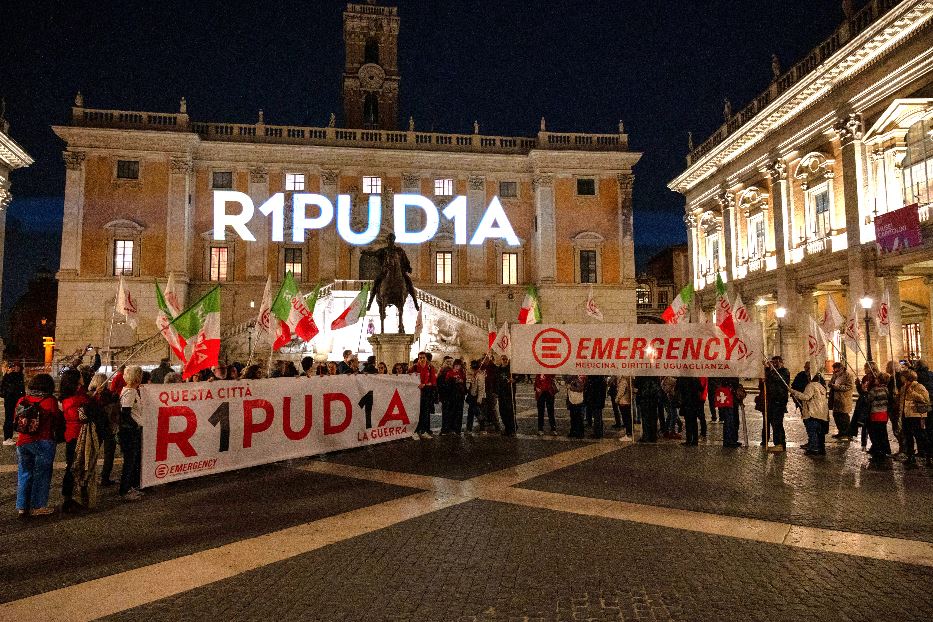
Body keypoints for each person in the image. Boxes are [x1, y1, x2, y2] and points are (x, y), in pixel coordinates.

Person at [14, 373, 62, 517]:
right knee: (42, 474)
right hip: (43, 440)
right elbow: (57, 420)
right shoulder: (50, 401)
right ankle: (38, 506)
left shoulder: (22, 400)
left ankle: (22, 506)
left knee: (24, 473)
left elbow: (15, 420)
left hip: (23, 441)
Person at [59, 369, 91, 512]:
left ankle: (77, 496)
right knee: (73, 466)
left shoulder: (76, 395)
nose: (82, 378)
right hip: (76, 435)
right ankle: (68, 499)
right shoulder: (73, 400)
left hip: (77, 434)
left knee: (80, 465)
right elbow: (80, 417)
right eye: (80, 377)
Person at [118, 365, 145, 501]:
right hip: (129, 432)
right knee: (129, 461)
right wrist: (135, 425)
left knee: (132, 460)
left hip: (129, 430)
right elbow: (125, 412)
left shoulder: (129, 391)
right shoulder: (130, 393)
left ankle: (130, 487)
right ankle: (125, 490)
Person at [898, 368, 930, 468]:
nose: (901, 378)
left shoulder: (918, 386)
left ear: (907, 377)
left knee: (920, 437)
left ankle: (928, 457)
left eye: (903, 376)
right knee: (908, 437)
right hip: (906, 415)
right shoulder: (903, 387)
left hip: (916, 416)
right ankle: (911, 456)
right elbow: (902, 402)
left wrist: (913, 393)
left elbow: (925, 399)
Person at [790, 372, 828, 455]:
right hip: (821, 413)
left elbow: (806, 397)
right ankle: (821, 449)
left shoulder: (810, 386)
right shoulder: (822, 387)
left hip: (812, 412)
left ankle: (813, 449)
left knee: (812, 432)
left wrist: (794, 392)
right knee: (819, 433)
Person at [865, 371, 892, 462]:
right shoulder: (886, 389)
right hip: (884, 414)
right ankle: (885, 450)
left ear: (879, 380)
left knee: (876, 435)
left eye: (876, 379)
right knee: (883, 433)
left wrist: (865, 391)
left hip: (876, 414)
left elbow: (868, 399)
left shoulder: (875, 390)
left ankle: (878, 453)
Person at [765, 357, 791, 452]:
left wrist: (771, 369)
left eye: (776, 363)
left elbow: (778, 379)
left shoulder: (784, 371)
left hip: (779, 400)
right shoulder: (773, 372)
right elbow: (767, 379)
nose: (774, 365)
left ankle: (780, 444)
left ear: (781, 362)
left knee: (777, 422)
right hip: (772, 400)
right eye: (773, 363)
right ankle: (778, 443)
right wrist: (767, 369)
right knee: (774, 422)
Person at [412, 352, 436, 439]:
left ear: (426, 358)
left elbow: (433, 382)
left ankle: (424, 430)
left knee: (425, 412)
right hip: (416, 393)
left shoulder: (430, 368)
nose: (422, 359)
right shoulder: (414, 367)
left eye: (423, 357)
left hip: (426, 393)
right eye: (420, 358)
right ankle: (415, 430)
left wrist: (425, 384)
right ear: (418, 358)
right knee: (416, 412)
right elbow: (407, 377)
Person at [2, 360, 25, 446]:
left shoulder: (20, 375)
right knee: (9, 418)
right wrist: (7, 374)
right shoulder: (9, 376)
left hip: (19, 400)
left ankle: (17, 436)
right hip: (10, 400)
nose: (16, 368)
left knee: (19, 418)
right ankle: (7, 438)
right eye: (14, 366)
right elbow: (4, 387)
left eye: (18, 366)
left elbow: (21, 389)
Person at [828, 362, 854, 438]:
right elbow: (831, 382)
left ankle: (847, 433)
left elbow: (849, 386)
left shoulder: (848, 375)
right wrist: (831, 384)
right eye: (834, 370)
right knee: (836, 415)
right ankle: (841, 432)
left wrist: (837, 387)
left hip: (843, 399)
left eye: (836, 370)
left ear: (841, 368)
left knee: (844, 417)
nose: (835, 371)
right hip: (835, 399)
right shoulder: (835, 375)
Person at [676, 376, 703, 446]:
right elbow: (701, 388)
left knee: (688, 422)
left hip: (686, 403)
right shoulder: (695, 379)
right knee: (694, 422)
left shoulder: (682, 379)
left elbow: (677, 389)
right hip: (694, 403)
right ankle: (695, 441)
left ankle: (689, 440)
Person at [635, 376, 662, 443]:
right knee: (653, 418)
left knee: (645, 419)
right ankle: (653, 437)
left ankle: (646, 437)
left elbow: (637, 385)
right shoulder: (655, 375)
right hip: (653, 399)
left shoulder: (641, 374)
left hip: (644, 398)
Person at [717, 377, 742, 448]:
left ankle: (733, 439)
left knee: (734, 420)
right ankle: (729, 440)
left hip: (733, 399)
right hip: (729, 398)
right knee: (729, 420)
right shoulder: (727, 377)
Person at [496, 355, 516, 436]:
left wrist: (514, 380)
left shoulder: (511, 369)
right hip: (501, 393)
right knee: (502, 411)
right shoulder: (498, 369)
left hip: (509, 393)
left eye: (506, 359)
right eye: (503, 359)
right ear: (501, 360)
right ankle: (506, 428)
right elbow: (496, 380)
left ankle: (512, 430)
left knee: (510, 411)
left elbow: (519, 377)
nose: (504, 360)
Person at [584, 374, 607, 439]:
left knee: (597, 417)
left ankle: (597, 434)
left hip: (596, 401)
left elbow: (592, 391)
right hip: (599, 401)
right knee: (598, 417)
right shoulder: (601, 379)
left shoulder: (595, 381)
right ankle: (599, 432)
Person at [466, 360, 484, 433]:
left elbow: (481, 388)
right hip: (471, 395)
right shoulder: (471, 374)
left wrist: (479, 399)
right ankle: (469, 428)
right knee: (470, 412)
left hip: (476, 397)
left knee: (477, 412)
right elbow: (468, 385)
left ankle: (482, 428)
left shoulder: (480, 375)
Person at [614, 375, 633, 440]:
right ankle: (629, 432)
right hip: (627, 401)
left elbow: (621, 392)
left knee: (626, 418)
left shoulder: (623, 381)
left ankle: (628, 434)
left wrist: (616, 399)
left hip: (623, 402)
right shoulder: (628, 380)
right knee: (628, 418)